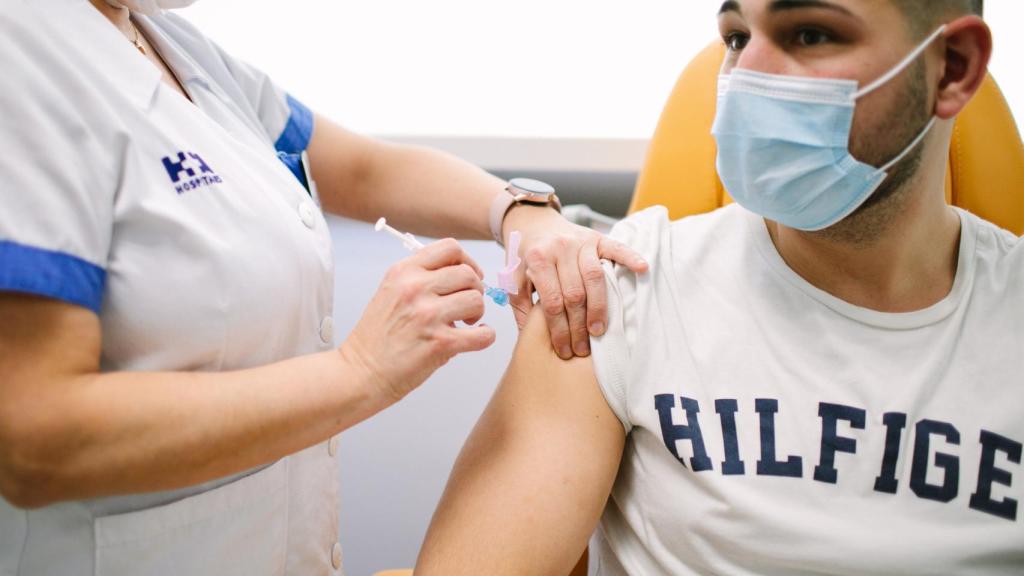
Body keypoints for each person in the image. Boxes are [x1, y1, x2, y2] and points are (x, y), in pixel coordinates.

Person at [0, 0, 649, 574]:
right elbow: (34, 442)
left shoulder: (167, 45)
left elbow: (364, 169)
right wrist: (361, 369)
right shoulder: (21, 58)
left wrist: (521, 213)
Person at [416, 0, 1024, 574]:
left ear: (953, 68)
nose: (746, 74)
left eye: (810, 34)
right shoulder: (617, 291)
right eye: (736, 37)